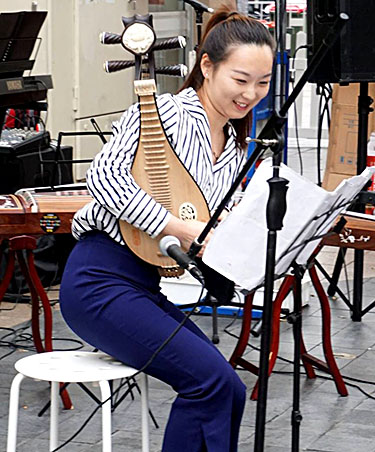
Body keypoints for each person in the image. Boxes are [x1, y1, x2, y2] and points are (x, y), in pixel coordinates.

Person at [59, 7, 275, 452]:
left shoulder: (233, 145)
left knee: (228, 388)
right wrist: (185, 228)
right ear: (207, 66)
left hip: (142, 284)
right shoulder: (166, 113)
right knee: (209, 382)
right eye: (240, 79)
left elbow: (210, 232)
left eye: (263, 83)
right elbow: (103, 178)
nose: (251, 94)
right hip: (99, 281)